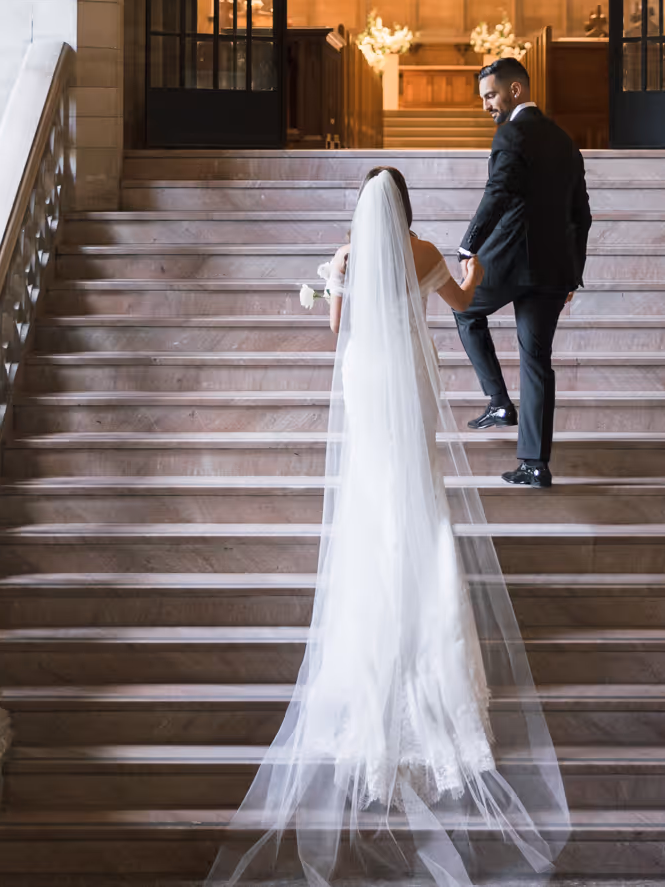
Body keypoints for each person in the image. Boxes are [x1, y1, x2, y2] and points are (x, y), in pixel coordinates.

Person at [211, 164, 569, 886]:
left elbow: (340, 331)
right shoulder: (426, 251)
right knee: (417, 492)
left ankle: (371, 629)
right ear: (403, 206)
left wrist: (331, 288)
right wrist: (476, 262)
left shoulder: (349, 256)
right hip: (405, 375)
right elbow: (468, 299)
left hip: (366, 377)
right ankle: (428, 638)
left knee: (371, 492)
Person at [455, 59, 592, 490]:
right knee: (537, 362)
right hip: (553, 269)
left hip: (508, 262)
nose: (485, 106)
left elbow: (498, 192)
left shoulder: (511, 133)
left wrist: (468, 244)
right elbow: (581, 216)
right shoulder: (567, 142)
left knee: (463, 309)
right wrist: (573, 273)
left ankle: (498, 402)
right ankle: (535, 464)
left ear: (515, 90)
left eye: (490, 96)